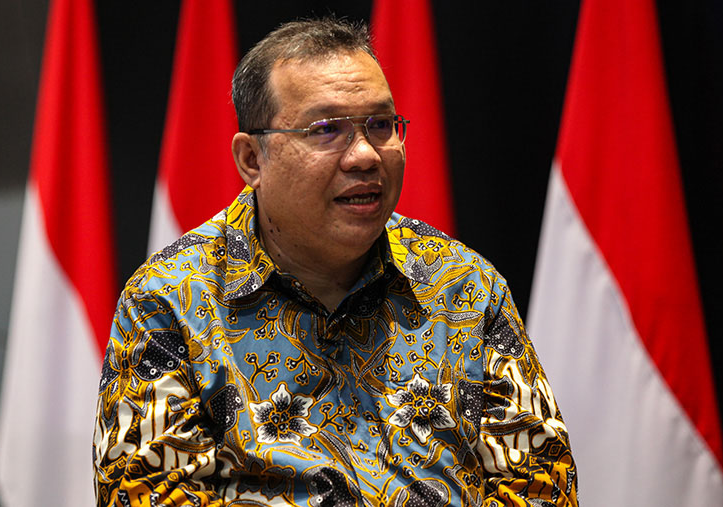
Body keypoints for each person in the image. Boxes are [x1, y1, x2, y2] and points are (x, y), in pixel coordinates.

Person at [94, 17, 577, 507]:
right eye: (326, 130)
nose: (366, 155)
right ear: (252, 160)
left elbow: (542, 485)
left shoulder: (463, 283)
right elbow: (148, 494)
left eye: (381, 126)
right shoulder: (170, 299)